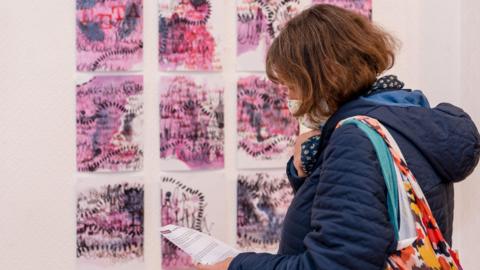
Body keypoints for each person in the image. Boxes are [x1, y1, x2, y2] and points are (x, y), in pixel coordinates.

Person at [197, 4, 480, 270]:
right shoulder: (407, 121)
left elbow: (334, 263)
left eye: (293, 84)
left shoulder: (356, 140)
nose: (291, 96)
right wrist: (311, 168)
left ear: (325, 75)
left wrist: (236, 265)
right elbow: (355, 221)